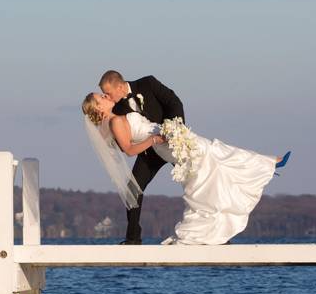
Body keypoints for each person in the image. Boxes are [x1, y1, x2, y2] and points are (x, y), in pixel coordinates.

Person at [81, 91, 291, 245]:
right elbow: (129, 149)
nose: (106, 97)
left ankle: (266, 164)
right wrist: (154, 139)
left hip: (169, 138)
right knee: (209, 156)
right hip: (165, 143)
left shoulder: (118, 114)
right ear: (99, 108)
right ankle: (266, 165)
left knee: (211, 155)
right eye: (101, 98)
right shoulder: (116, 122)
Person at [98, 70, 185, 244]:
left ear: (120, 86)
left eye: (108, 93)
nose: (106, 97)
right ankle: (133, 238)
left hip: (172, 142)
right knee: (132, 190)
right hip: (149, 151)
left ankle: (214, 231)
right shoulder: (115, 108)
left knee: (196, 179)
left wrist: (176, 131)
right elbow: (122, 140)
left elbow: (173, 101)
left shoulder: (148, 83)